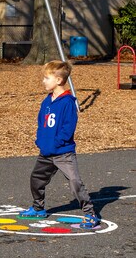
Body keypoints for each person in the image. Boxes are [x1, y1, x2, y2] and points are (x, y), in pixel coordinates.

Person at [18, 60, 100, 229]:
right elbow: (41, 122)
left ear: (59, 80)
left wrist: (57, 142)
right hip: (46, 152)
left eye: (46, 78)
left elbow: (68, 128)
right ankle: (38, 207)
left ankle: (90, 214)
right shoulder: (47, 101)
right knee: (36, 179)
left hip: (63, 153)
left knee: (75, 182)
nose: (43, 81)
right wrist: (40, 140)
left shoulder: (68, 102)